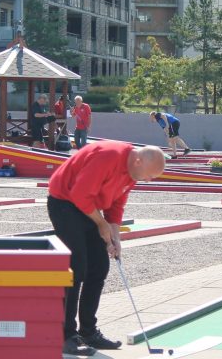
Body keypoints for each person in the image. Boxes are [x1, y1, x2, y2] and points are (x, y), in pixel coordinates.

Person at [47, 141, 166, 355]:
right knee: (76, 268)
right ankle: (66, 335)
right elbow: (79, 194)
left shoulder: (133, 171)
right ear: (138, 160)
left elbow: (116, 205)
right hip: (64, 202)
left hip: (88, 207)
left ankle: (88, 331)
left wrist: (115, 239)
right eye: (149, 175)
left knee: (99, 267)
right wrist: (101, 224)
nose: (148, 180)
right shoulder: (109, 156)